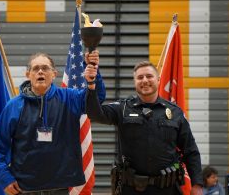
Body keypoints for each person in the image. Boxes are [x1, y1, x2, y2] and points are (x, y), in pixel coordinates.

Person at [0, 51, 104, 195]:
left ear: (54, 74)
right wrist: (4, 178)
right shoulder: (13, 106)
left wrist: (93, 74)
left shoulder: (70, 98)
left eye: (45, 68)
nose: (40, 72)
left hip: (61, 187)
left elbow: (96, 99)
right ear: (28, 75)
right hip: (24, 188)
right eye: (36, 68)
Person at [85, 60, 203, 195]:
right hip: (130, 189)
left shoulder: (175, 112)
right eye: (140, 77)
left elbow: (190, 150)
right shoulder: (123, 108)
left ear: (158, 80)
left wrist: (197, 184)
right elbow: (95, 114)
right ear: (134, 82)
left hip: (167, 189)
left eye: (149, 76)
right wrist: (91, 85)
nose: (145, 80)